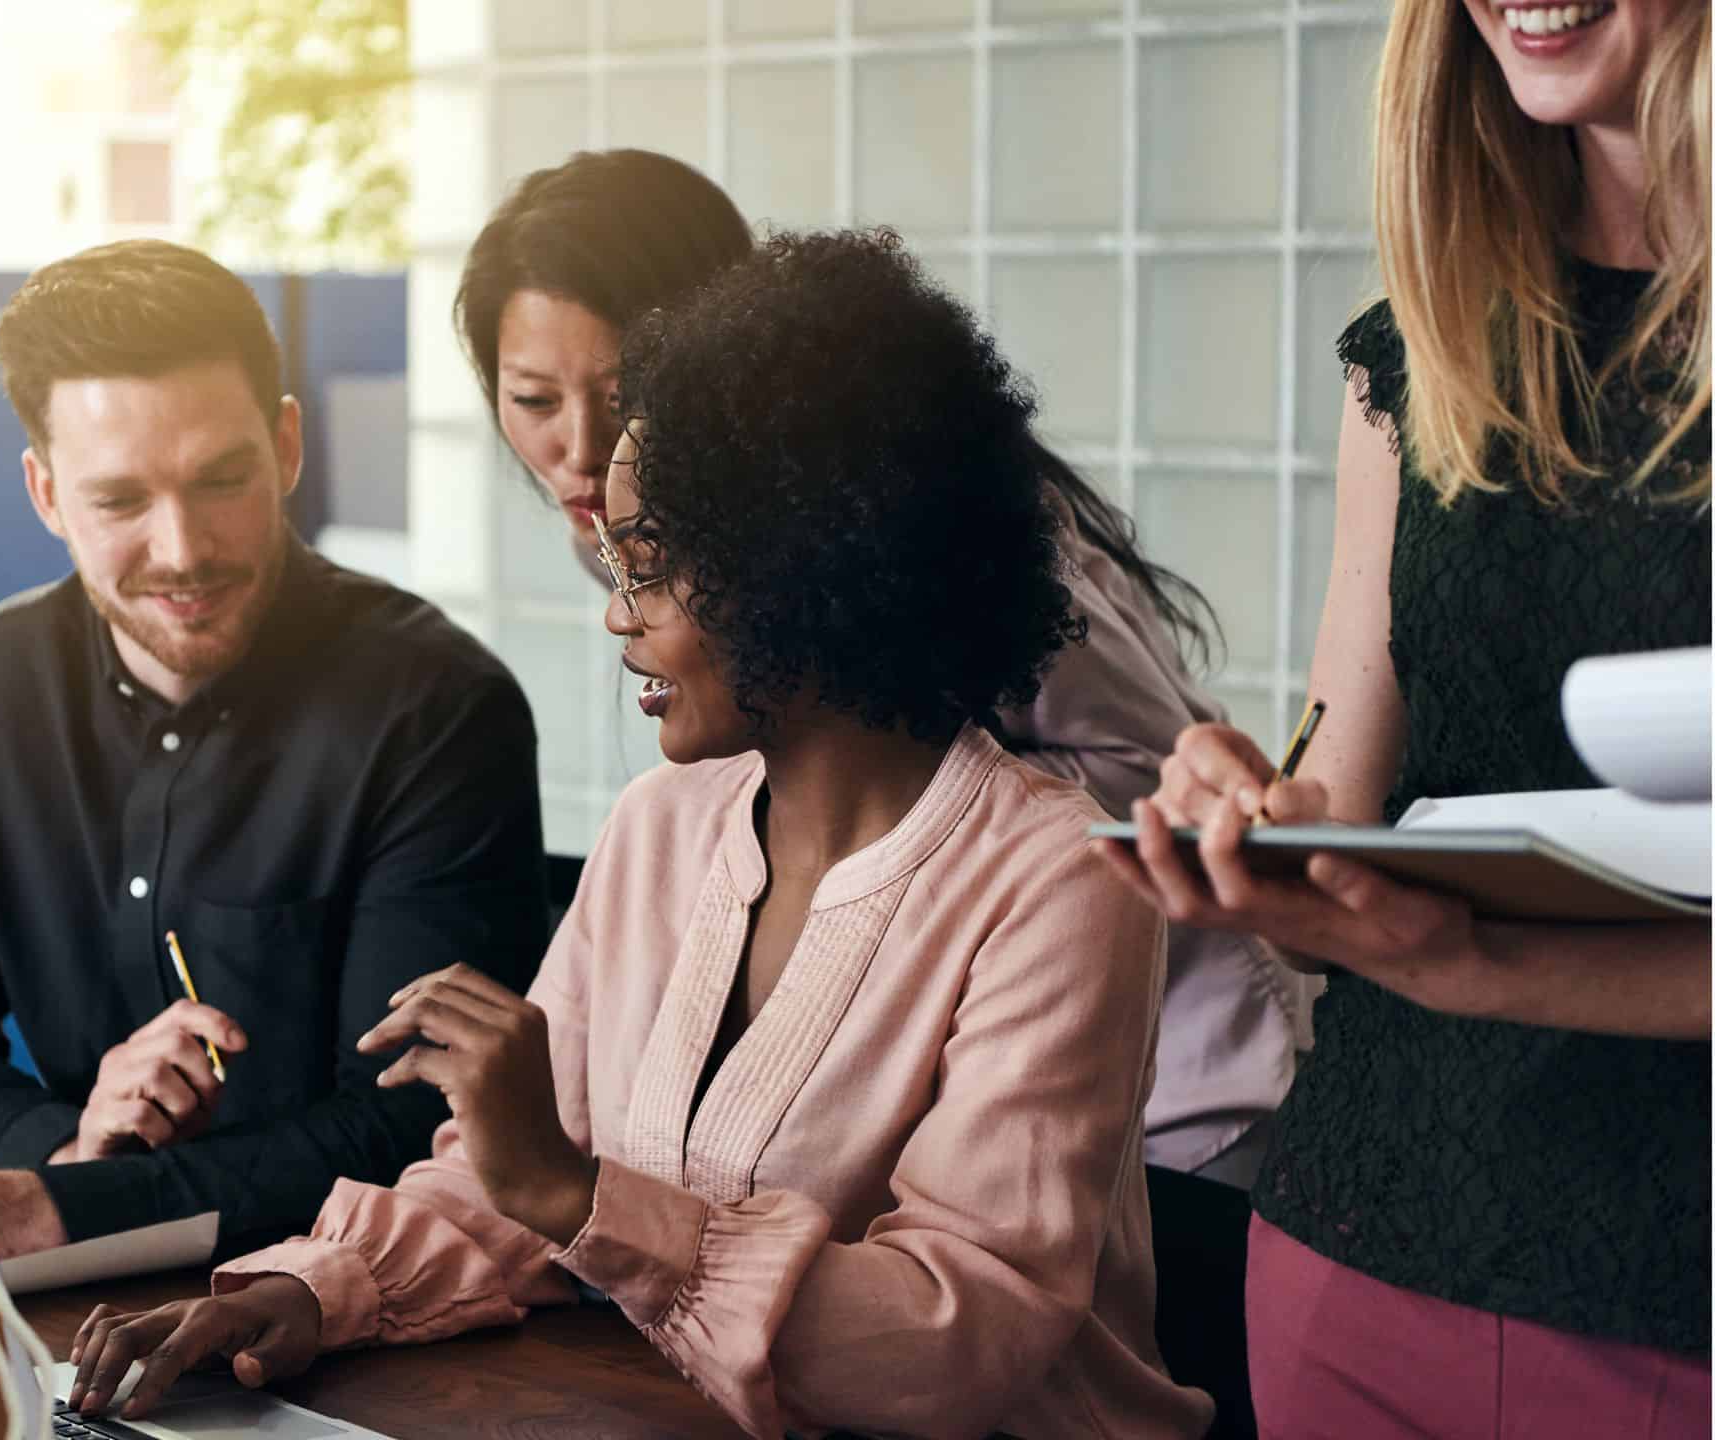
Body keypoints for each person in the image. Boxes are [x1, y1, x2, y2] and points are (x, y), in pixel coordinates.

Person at [60, 230, 1215, 1440]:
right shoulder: (662, 828)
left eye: (652, 565)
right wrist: (309, 1289)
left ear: (812, 564)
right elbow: (510, 1187)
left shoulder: (1060, 881)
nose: (616, 612)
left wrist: (573, 1191)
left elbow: (955, 1340)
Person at [456, 147, 1305, 1193]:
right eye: (534, 399)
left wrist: (894, 802)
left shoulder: (929, 527)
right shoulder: (637, 546)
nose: (578, 451)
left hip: (1177, 1094)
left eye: (622, 388)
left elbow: (1145, 776)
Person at [1096, 0, 1711, 1429]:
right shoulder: (1423, 345)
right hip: (1363, 1250)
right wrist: (1252, 812)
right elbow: (1338, 775)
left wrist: (1482, 964)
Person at [0, 240, 549, 1261]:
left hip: (351, 1295)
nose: (182, 550)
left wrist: (77, 1206)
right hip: (86, 1288)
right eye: (120, 502)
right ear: (46, 495)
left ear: (287, 447)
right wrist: (62, 1146)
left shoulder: (436, 707)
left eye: (220, 481)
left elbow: (411, 1126)